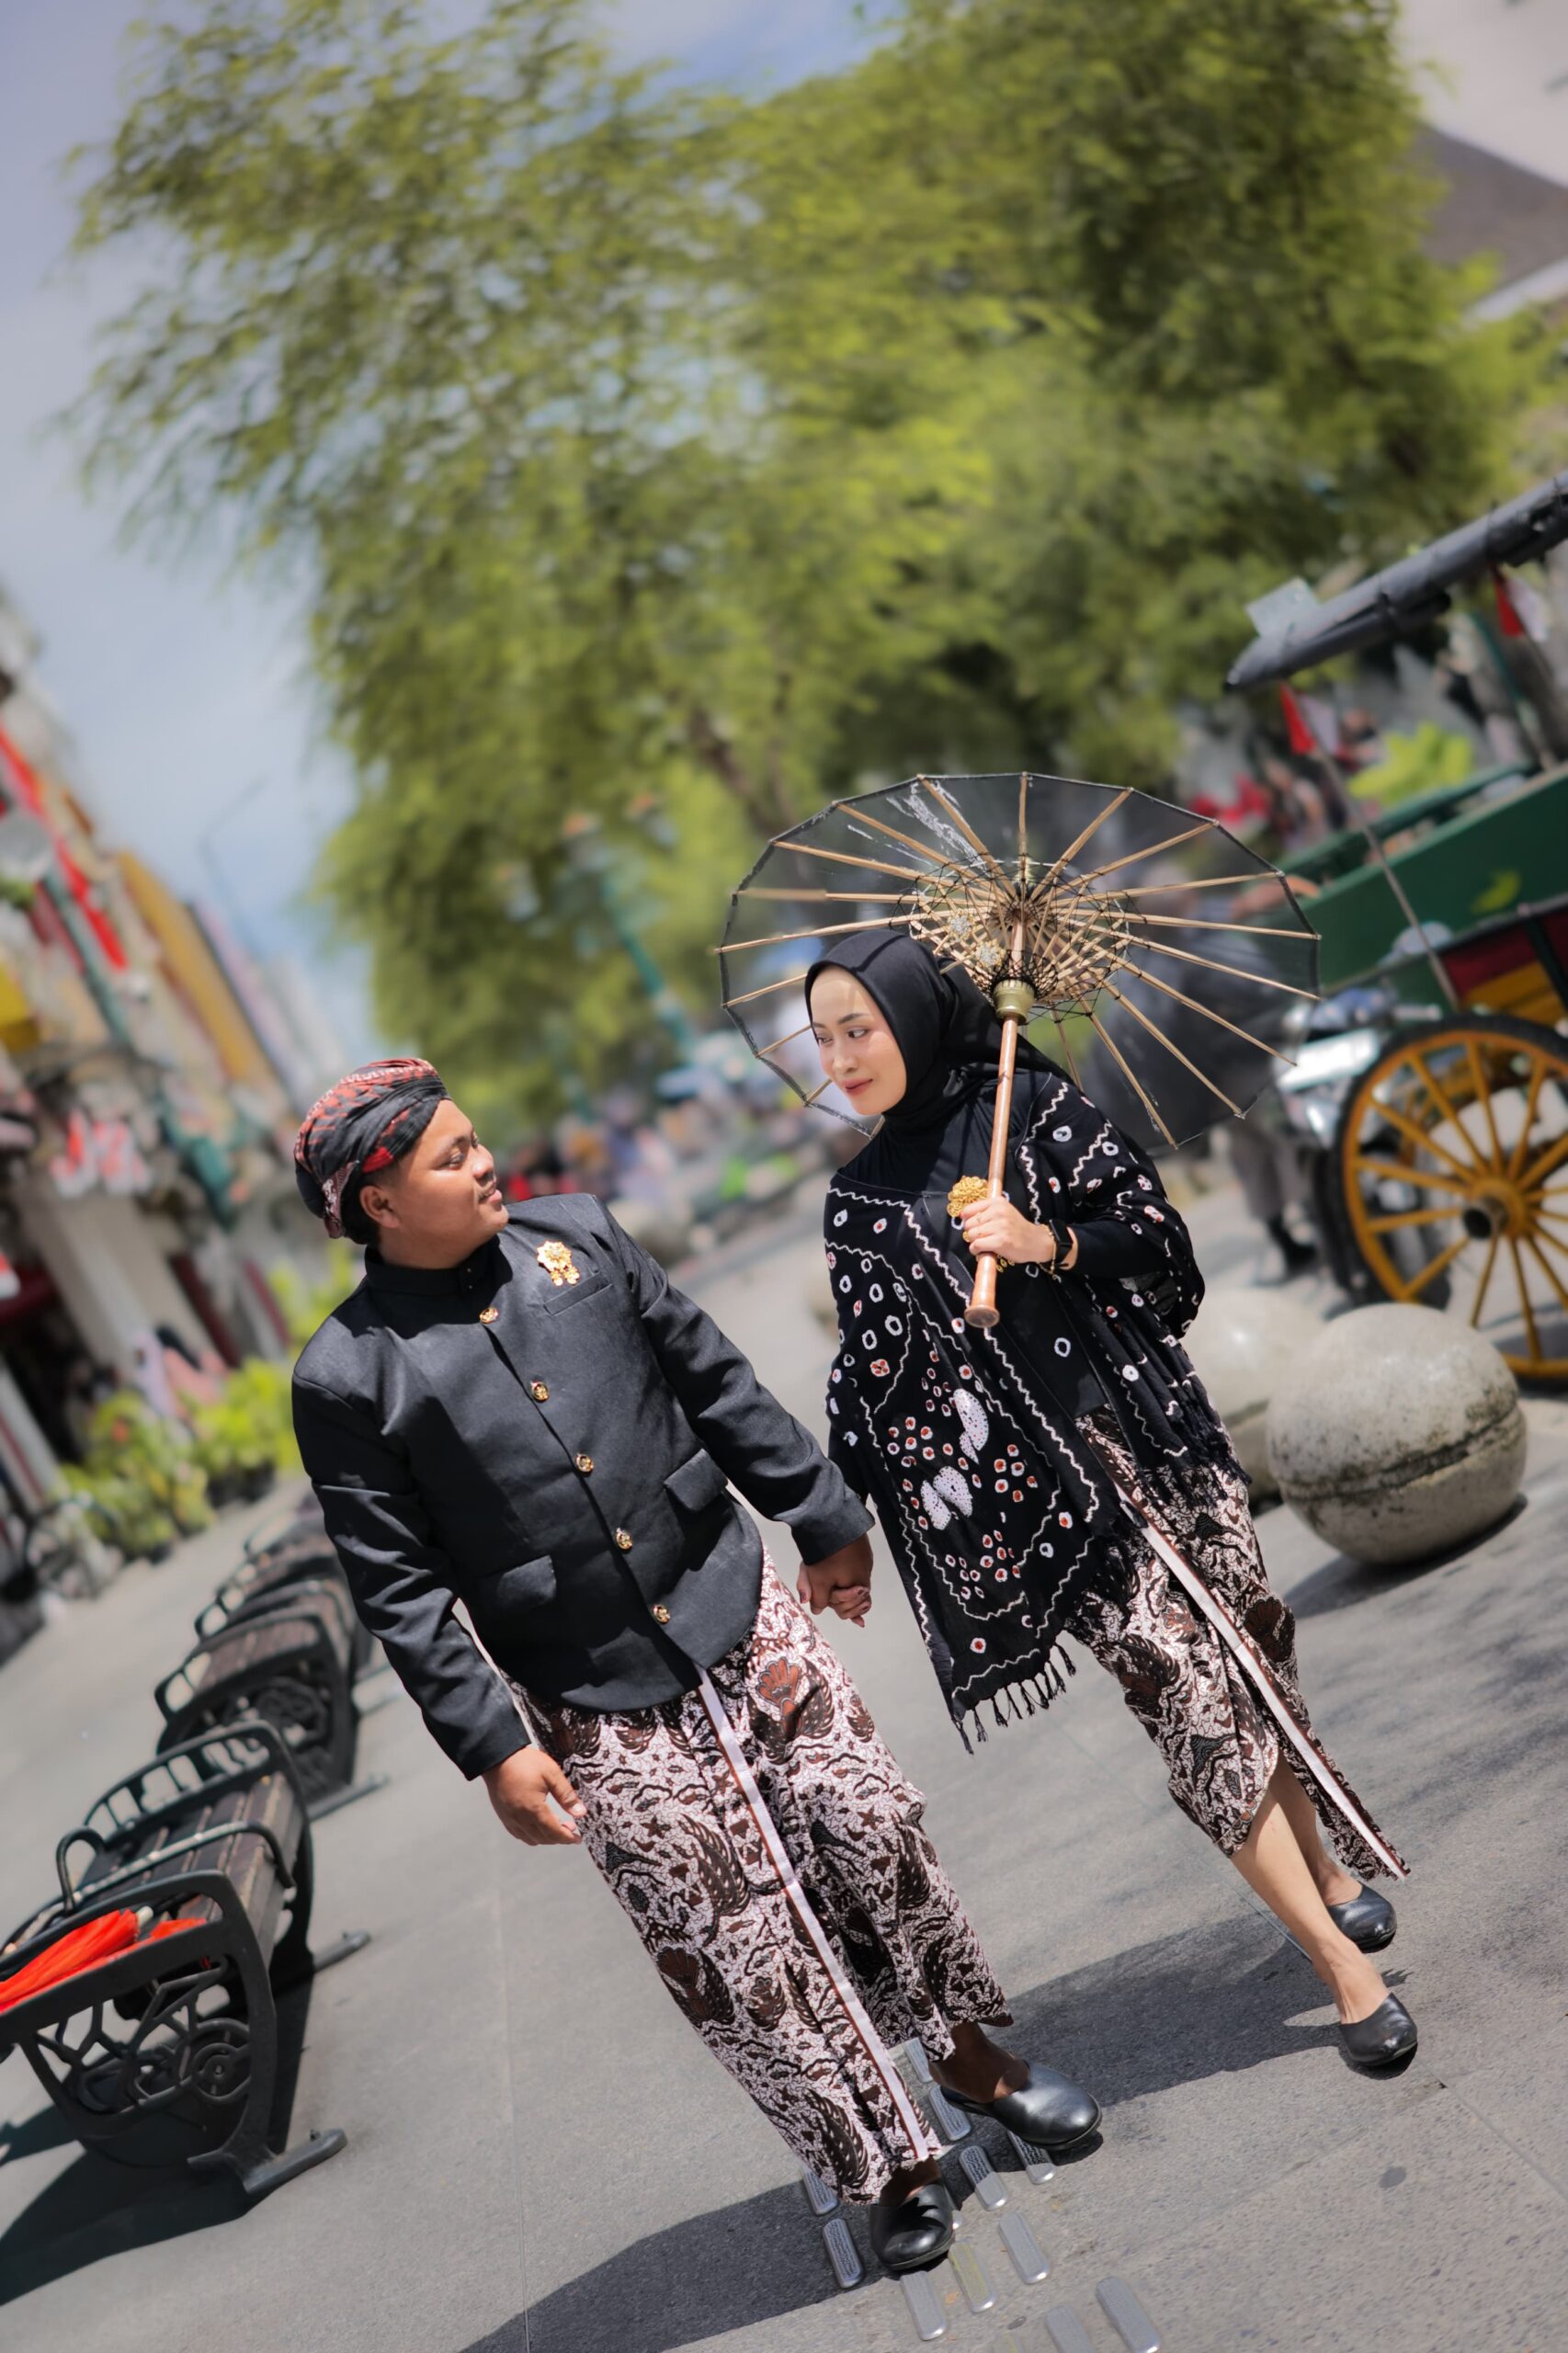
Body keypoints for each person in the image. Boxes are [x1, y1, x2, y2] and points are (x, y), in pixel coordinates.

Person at [290, 1057, 1099, 2272]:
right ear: (382, 1203)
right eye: (452, 1157)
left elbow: (711, 1377)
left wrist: (820, 1514)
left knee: (868, 1822)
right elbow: (395, 1588)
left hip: (730, 1594)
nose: (485, 1161)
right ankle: (883, 2163)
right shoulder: (347, 1375)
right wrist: (493, 1747)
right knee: (731, 1937)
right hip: (587, 1684)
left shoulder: (579, 1237)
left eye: (474, 1137)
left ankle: (974, 2061)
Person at [804, 933, 1416, 2073]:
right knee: (1183, 1695)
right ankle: (1340, 1969)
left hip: (1153, 1430)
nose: (840, 1058)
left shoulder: (1032, 1106)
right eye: (823, 1038)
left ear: (914, 1017)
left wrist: (1041, 1241)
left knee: (1246, 1651)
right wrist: (830, 1523)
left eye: (858, 1028)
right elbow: (869, 1377)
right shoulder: (857, 1205)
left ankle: (1328, 1870)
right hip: (1049, 1500)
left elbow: (1157, 1243)